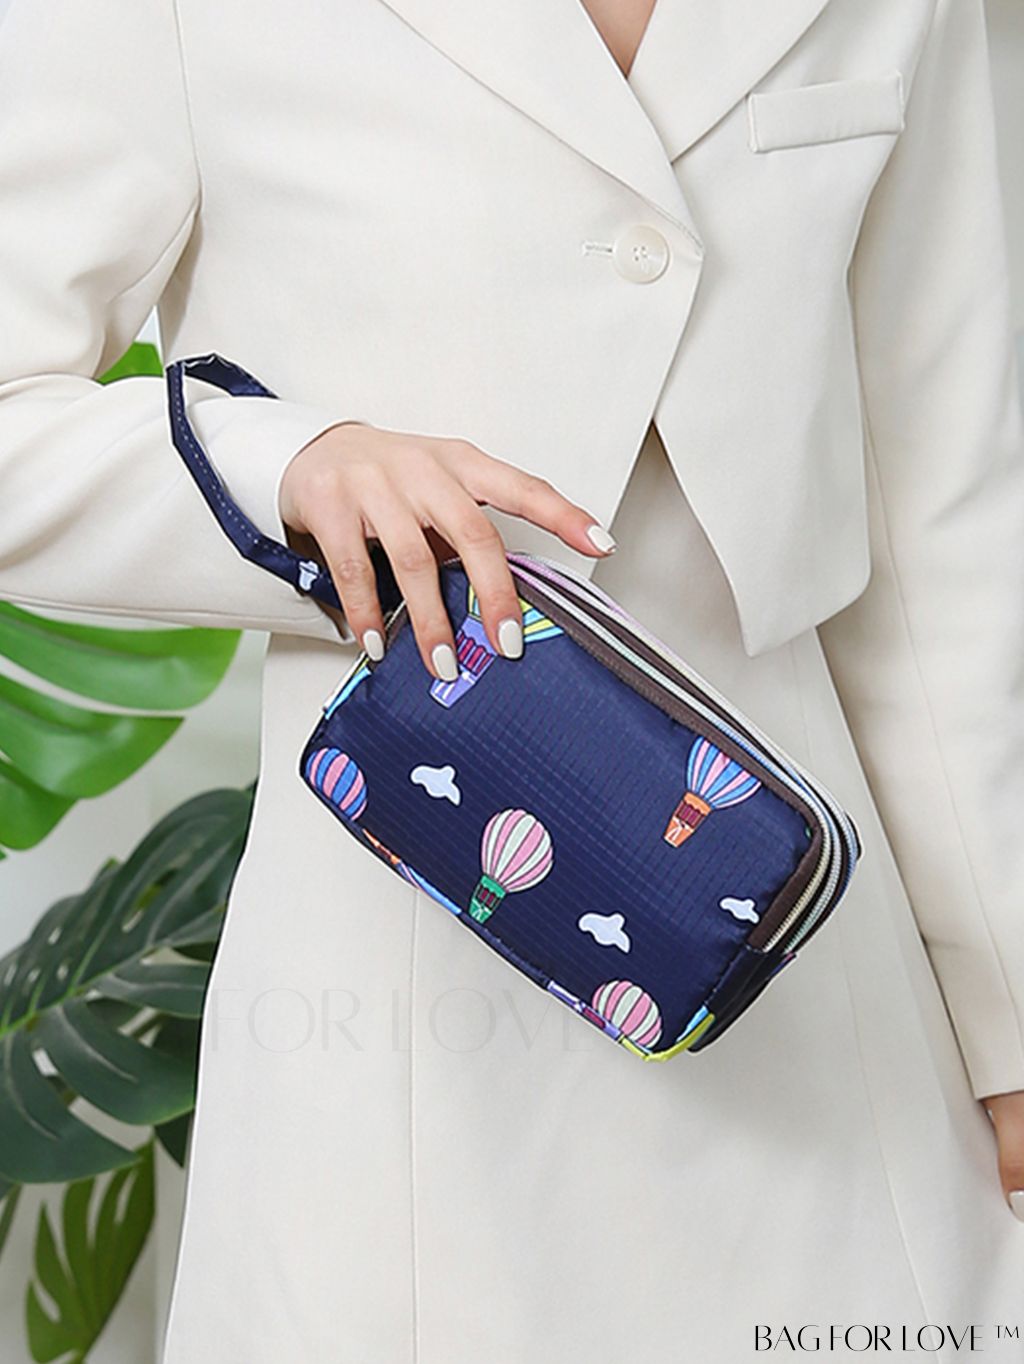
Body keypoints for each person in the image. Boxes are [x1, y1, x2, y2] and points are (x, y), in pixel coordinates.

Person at [1, 0, 1023, 1359]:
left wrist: (1010, 1015)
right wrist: (291, 467)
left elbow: (942, 516)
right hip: (403, 959)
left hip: (813, 959)